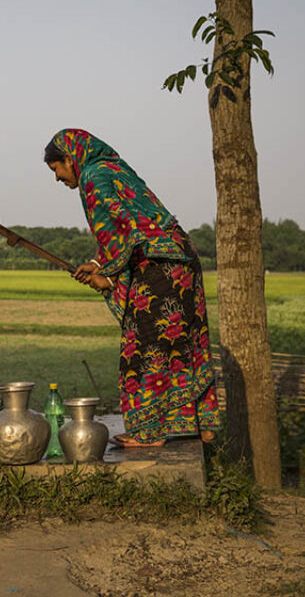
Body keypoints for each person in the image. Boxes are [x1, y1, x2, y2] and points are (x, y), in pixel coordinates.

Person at [44, 129, 219, 447]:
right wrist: (100, 266)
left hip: (158, 265)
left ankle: (148, 433)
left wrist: (107, 273)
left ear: (70, 159)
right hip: (181, 258)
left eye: (56, 169)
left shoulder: (93, 176)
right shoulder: (115, 168)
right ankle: (199, 425)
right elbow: (133, 223)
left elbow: (115, 229)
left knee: (143, 348)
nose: (57, 178)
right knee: (183, 344)